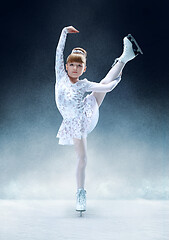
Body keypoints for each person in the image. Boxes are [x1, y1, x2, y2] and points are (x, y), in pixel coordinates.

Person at [55, 26, 143, 212]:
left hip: (85, 118)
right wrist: (64, 32)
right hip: (73, 123)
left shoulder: (83, 84)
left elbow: (108, 88)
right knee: (82, 159)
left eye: (79, 66)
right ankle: (125, 57)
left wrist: (117, 80)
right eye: (72, 65)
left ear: (84, 69)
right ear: (66, 66)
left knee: (83, 158)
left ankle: (80, 194)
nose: (75, 68)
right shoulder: (60, 76)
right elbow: (59, 52)